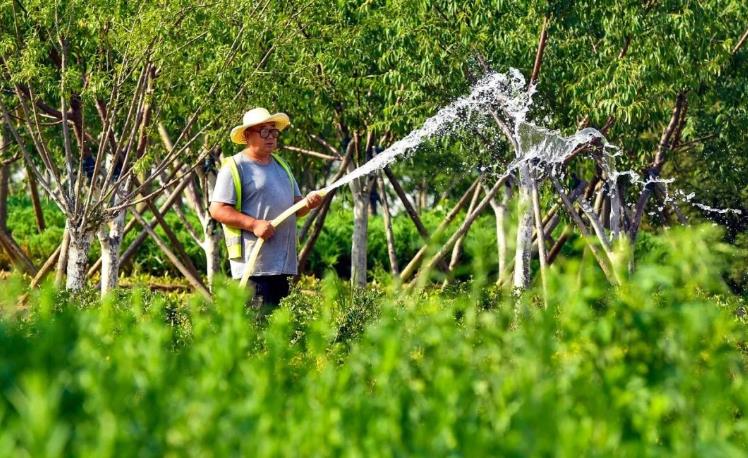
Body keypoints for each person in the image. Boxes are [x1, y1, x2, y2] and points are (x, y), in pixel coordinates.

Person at [209, 108, 323, 313]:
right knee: (258, 332)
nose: (271, 137)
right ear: (247, 135)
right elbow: (217, 210)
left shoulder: (282, 166)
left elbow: (297, 207)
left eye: (273, 131)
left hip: (284, 266)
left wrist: (308, 203)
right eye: (264, 132)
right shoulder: (235, 167)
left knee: (279, 334)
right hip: (255, 269)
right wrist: (253, 224)